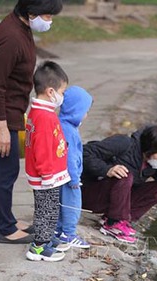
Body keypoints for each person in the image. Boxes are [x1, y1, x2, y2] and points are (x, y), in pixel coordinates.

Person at [0, 0, 63, 244]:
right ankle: (5, 229)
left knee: (8, 168)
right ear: (31, 13)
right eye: (47, 15)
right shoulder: (12, 38)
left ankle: (8, 220)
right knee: (5, 170)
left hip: (10, 107)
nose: (50, 21)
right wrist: (1, 127)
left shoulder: (21, 26)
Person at [24, 61, 70, 262]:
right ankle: (39, 247)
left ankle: (47, 238)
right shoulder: (43, 116)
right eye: (62, 91)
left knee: (49, 208)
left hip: (49, 173)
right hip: (46, 175)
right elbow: (41, 148)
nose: (63, 96)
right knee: (46, 210)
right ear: (51, 91)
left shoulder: (41, 112)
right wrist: (47, 174)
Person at [54, 86, 93, 249]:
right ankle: (68, 233)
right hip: (70, 177)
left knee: (60, 204)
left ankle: (58, 231)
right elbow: (69, 156)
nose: (86, 114)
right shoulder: (68, 130)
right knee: (72, 205)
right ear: (76, 110)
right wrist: (75, 178)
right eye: (85, 110)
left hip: (61, 175)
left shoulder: (63, 124)